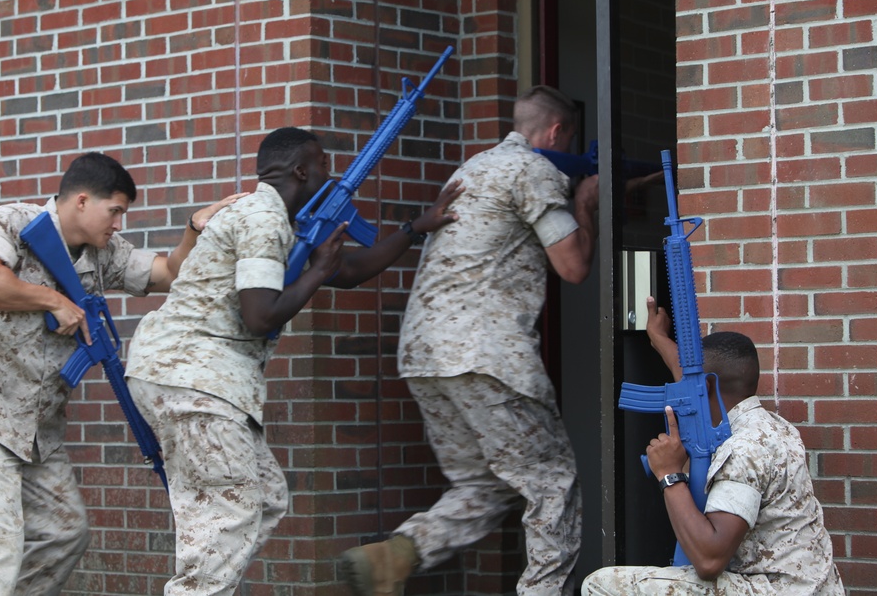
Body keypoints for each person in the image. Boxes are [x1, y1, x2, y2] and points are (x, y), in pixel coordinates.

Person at [123, 126, 464, 595]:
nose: (331, 172)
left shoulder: (281, 221)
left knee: (263, 498)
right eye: (324, 163)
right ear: (302, 170)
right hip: (190, 376)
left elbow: (348, 271)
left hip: (192, 376)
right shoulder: (263, 218)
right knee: (230, 509)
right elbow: (261, 315)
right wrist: (318, 271)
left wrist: (413, 229)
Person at [0, 152, 242, 596]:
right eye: (115, 211)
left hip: (36, 431)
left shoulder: (102, 254)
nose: (119, 223)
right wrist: (52, 300)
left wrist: (193, 229)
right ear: (83, 201)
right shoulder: (12, 223)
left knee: (62, 534)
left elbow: (169, 273)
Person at [339, 85, 601, 596]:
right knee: (552, 481)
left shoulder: (474, 167)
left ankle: (398, 553)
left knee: (487, 483)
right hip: (485, 353)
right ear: (556, 132)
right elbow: (573, 267)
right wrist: (586, 204)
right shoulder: (533, 171)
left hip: (424, 356)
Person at [581, 297, 844, 595]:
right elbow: (695, 380)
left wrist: (669, 475)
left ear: (705, 386)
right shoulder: (769, 425)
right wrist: (658, 339)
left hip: (772, 588)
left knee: (601, 585)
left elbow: (709, 559)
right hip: (807, 586)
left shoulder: (745, 448)